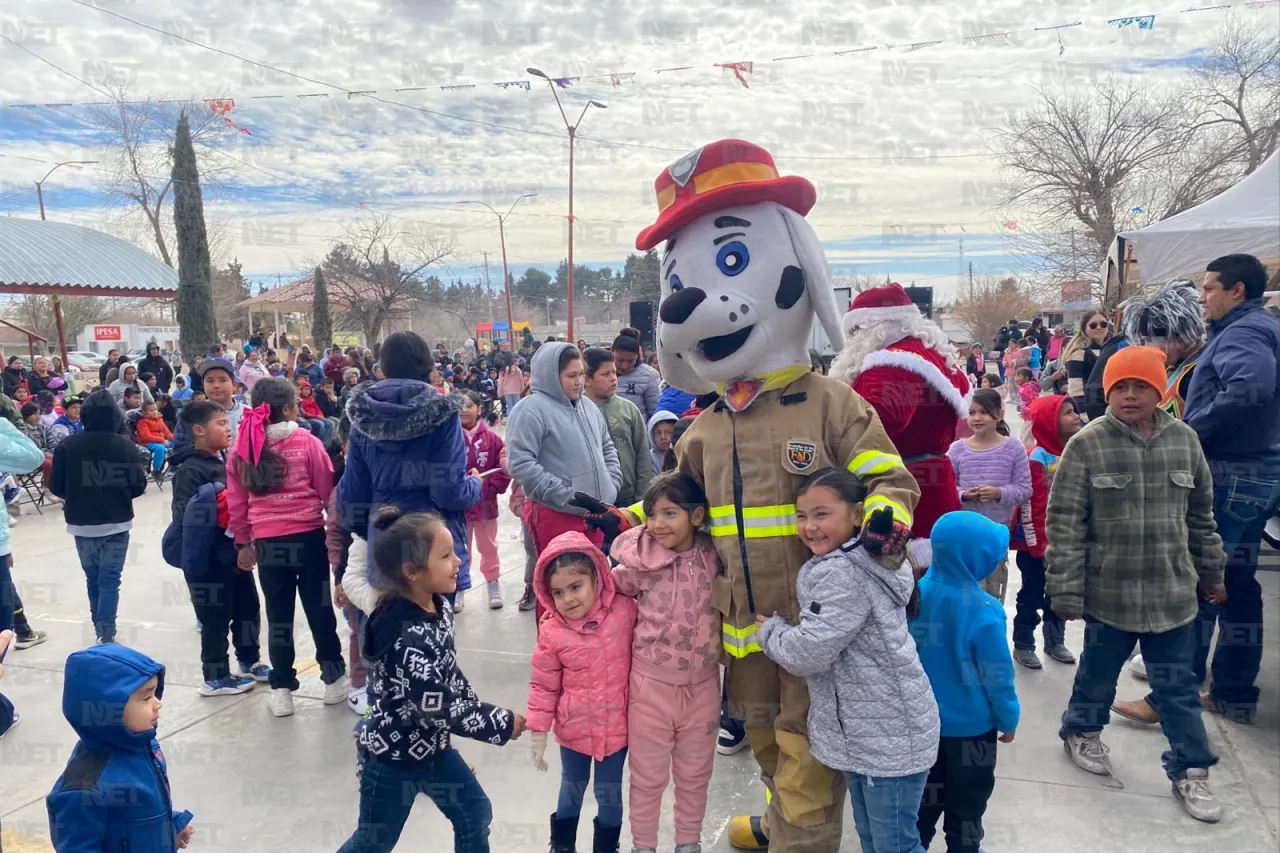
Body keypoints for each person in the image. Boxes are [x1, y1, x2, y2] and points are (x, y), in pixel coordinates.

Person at [1048, 346, 1226, 822]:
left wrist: (1213, 572)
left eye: (1141, 386)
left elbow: (1201, 517)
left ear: (1159, 390)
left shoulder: (1185, 442)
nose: (1130, 396)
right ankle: (1081, 731)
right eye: (1120, 387)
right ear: (1107, 391)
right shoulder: (1086, 445)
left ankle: (1191, 771)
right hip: (1110, 595)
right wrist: (1064, 590)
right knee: (1098, 675)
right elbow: (1064, 523)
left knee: (1178, 688)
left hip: (1173, 596)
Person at [755, 468, 939, 853]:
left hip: (885, 738)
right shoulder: (867, 559)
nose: (810, 527)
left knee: (895, 846)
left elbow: (809, 653)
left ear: (857, 515)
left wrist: (771, 631)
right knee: (876, 840)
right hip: (874, 735)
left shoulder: (844, 572)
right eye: (802, 516)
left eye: (822, 514)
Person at [338, 506, 525, 852]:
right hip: (391, 760)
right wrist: (498, 722)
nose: (457, 561)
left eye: (454, 551)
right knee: (373, 842)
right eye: (445, 556)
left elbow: (448, 673)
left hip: (433, 752)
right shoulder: (405, 635)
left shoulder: (436, 606)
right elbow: (436, 707)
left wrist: (473, 706)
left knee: (474, 812)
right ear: (412, 572)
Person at [1182, 253, 1280, 724]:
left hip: (1233, 475)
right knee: (1237, 585)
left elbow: (1249, 387)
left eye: (1208, 288)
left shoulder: (1244, 332)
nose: (1202, 297)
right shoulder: (1260, 328)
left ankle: (1172, 695)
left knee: (1203, 579)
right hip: (1255, 473)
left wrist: (1191, 429)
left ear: (1236, 290)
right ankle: (1233, 693)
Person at [610, 473, 720, 853]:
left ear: (697, 516)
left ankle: (688, 843)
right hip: (649, 688)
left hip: (704, 688)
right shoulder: (641, 562)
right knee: (647, 778)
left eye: (670, 513)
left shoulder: (714, 555)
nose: (658, 524)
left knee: (695, 775)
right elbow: (608, 591)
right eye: (652, 514)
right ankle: (644, 846)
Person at [225, 377, 347, 717]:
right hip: (309, 538)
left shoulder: (241, 449)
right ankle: (334, 678)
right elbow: (327, 490)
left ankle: (281, 689)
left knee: (279, 616)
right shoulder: (306, 442)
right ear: (291, 408)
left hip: (267, 543)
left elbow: (236, 502)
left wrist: (243, 541)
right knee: (319, 609)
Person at [339, 331, 481, 611]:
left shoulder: (361, 415)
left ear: (382, 368)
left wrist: (370, 530)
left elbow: (351, 493)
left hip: (386, 543)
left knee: (388, 637)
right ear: (429, 368)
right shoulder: (442, 413)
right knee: (434, 640)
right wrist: (475, 486)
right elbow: (449, 490)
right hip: (432, 544)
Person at [832, 282, 972, 551]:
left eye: (856, 331)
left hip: (903, 492)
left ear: (872, 327)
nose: (853, 340)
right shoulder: (928, 354)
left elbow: (874, 423)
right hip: (932, 484)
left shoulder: (890, 365)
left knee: (906, 582)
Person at [910, 511, 1020, 853]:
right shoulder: (984, 609)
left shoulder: (913, 595)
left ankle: (915, 846)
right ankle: (964, 847)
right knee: (969, 802)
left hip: (920, 727)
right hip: (972, 733)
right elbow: (997, 675)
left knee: (923, 803)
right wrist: (1008, 717)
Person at [528, 532, 636, 853]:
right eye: (558, 592)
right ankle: (562, 846)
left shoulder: (625, 611)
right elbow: (543, 685)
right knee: (571, 790)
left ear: (598, 579)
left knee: (609, 794)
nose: (568, 599)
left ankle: (606, 847)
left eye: (576, 587)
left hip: (616, 732)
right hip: (573, 730)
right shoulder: (552, 631)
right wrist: (538, 731)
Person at [163, 400, 268, 696]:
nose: (228, 428)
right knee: (215, 619)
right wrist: (217, 502)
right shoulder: (190, 469)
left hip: (233, 556)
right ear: (198, 430)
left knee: (248, 608)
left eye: (227, 422)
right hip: (207, 561)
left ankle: (249, 660)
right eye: (220, 423)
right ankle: (215, 676)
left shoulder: (222, 460)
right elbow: (183, 515)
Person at [46, 645, 195, 850]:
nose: (158, 703)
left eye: (155, 693)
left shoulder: (144, 746)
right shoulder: (83, 789)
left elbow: (140, 812)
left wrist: (171, 827)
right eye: (146, 697)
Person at [507, 343, 621, 574]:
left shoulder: (588, 406)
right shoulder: (529, 410)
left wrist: (612, 484)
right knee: (561, 587)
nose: (578, 381)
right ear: (550, 376)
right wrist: (564, 496)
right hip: (554, 515)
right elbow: (521, 463)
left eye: (580, 374)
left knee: (594, 582)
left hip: (596, 513)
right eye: (571, 375)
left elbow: (607, 447)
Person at [49, 390, 148, 645]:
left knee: (93, 579)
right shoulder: (125, 445)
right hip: (116, 523)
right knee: (110, 580)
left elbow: (57, 486)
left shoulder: (67, 446)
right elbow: (138, 485)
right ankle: (106, 633)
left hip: (81, 525)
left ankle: (99, 628)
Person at [1008, 395, 1080, 669]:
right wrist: (1039, 547)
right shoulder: (1037, 458)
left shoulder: (1075, 452)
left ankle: (1055, 641)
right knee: (1032, 594)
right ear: (1048, 422)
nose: (1076, 416)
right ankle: (1024, 643)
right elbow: (1031, 508)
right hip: (1036, 546)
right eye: (1067, 413)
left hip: (1065, 544)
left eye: (1075, 411)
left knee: (1059, 594)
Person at [946, 388, 1030, 601]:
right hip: (963, 537)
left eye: (984, 412)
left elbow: (1024, 489)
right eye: (972, 412)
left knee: (991, 597)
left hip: (995, 536)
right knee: (965, 597)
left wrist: (999, 493)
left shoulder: (1014, 449)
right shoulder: (956, 450)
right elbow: (947, 490)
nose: (977, 418)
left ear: (1000, 414)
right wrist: (964, 495)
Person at [459, 390, 511, 610]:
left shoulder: (492, 439)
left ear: (479, 409)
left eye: (469, 405)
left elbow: (504, 466)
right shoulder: (450, 439)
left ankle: (492, 582)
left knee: (488, 545)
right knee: (458, 548)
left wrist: (491, 487)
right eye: (459, 405)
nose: (463, 410)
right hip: (458, 505)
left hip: (485, 504)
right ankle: (458, 587)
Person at [584, 349, 651, 514]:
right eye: (606, 374)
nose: (613, 378)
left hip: (628, 499)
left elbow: (643, 456)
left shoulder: (629, 409)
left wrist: (642, 499)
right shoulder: (578, 412)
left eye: (614, 372)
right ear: (587, 379)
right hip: (592, 500)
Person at [1062, 310, 1109, 419]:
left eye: (1103, 324)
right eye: (1093, 325)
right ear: (1084, 328)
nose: (1099, 327)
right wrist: (1084, 415)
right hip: (1089, 414)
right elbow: (1075, 386)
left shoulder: (1108, 349)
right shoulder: (1079, 352)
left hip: (1106, 410)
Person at [612, 329, 661, 421]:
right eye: (620, 360)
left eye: (630, 361)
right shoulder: (599, 371)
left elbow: (654, 412)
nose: (624, 366)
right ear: (612, 351)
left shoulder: (649, 375)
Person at [135, 400, 173, 480]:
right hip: (147, 443)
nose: (154, 412)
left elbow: (166, 432)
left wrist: (175, 438)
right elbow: (146, 436)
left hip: (160, 441)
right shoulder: (142, 422)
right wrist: (162, 440)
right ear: (145, 412)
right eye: (151, 410)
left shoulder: (159, 420)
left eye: (155, 409)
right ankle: (156, 471)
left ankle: (174, 466)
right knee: (160, 449)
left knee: (177, 444)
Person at [646, 410, 678, 476]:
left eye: (669, 432)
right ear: (651, 435)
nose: (663, 437)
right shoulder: (649, 459)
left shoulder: (682, 456)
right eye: (658, 433)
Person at [497, 355, 524, 419]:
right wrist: (522, 389)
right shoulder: (518, 370)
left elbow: (500, 383)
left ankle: (511, 419)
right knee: (517, 406)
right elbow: (521, 380)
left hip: (506, 391)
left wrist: (499, 393)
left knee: (509, 406)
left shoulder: (502, 371)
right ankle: (517, 419)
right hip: (516, 390)